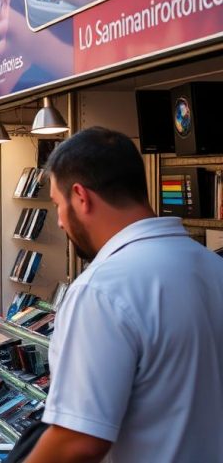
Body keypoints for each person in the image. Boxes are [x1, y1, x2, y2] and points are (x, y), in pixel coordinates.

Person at [24, 128, 223, 463]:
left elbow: (78, 441)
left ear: (81, 197)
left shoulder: (100, 289)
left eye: (58, 204)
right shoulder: (212, 266)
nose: (59, 221)